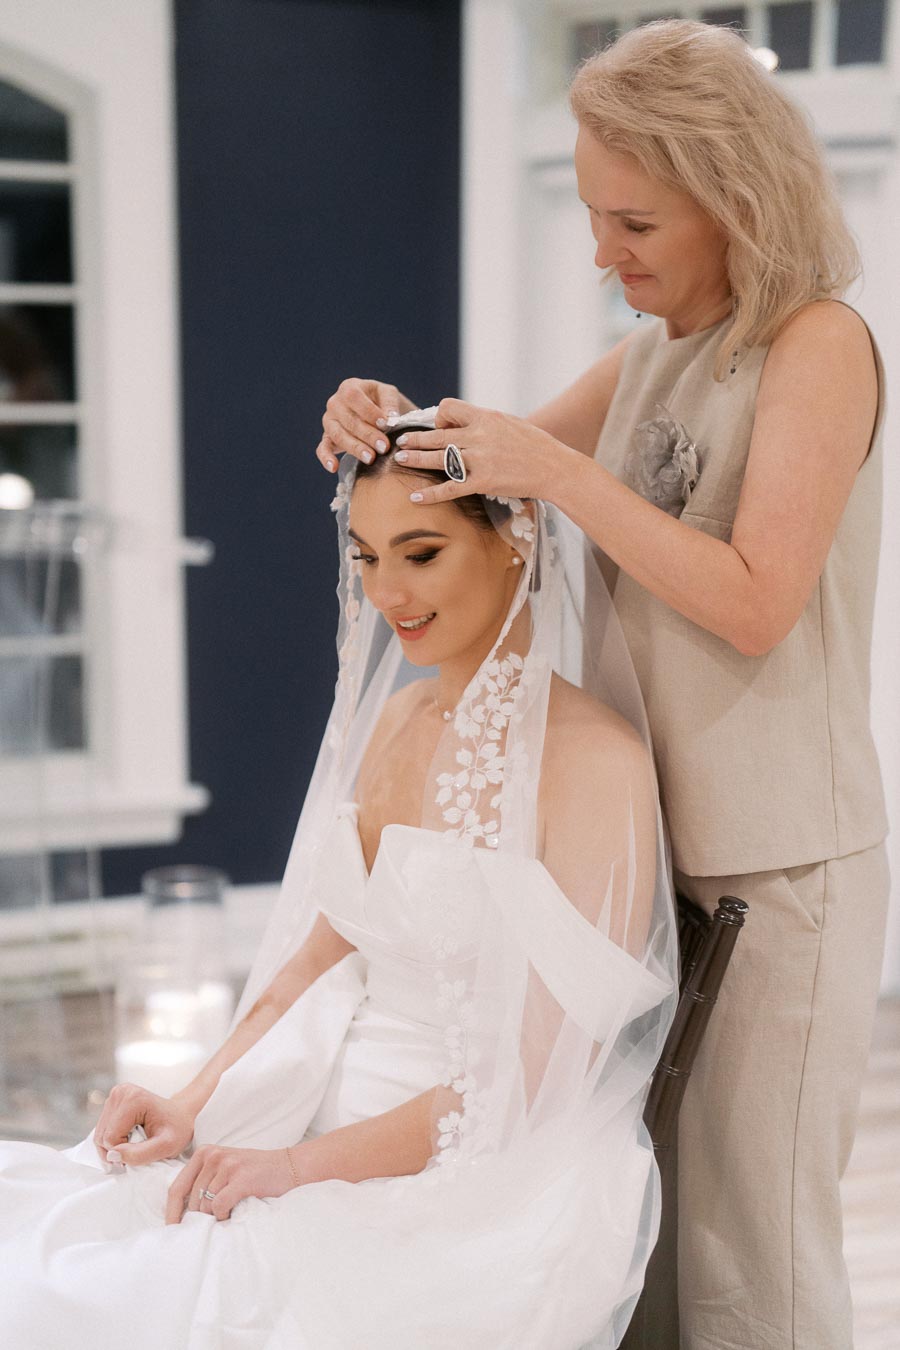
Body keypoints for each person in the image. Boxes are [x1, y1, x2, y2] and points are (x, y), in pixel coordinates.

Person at [315, 21, 889, 1350]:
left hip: (776, 869)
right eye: (589, 215)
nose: (601, 253)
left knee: (754, 1257)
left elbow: (756, 596)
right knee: (645, 1225)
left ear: (733, 195)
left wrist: (563, 473)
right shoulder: (654, 353)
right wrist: (384, 421)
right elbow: (482, 469)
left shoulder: (819, 346)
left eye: (633, 220)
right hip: (652, 867)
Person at [0, 418, 678, 1349]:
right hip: (314, 1104)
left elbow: (524, 1086)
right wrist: (194, 1099)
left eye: (422, 552)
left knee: (98, 1303)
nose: (388, 593)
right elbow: (327, 940)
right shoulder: (399, 717)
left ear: (516, 536)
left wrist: (293, 1170)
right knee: (46, 1242)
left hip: (470, 1176)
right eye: (365, 557)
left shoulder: (594, 763)